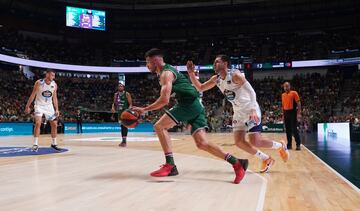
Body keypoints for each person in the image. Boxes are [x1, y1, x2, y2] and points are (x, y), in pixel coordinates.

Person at [132, 48, 247, 184]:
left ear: (155, 61)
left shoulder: (166, 74)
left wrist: (144, 109)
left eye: (147, 63)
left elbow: (164, 100)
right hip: (195, 105)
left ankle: (170, 165)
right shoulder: (164, 73)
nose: (147, 66)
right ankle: (237, 163)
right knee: (202, 143)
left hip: (188, 104)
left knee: (159, 126)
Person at [187, 55, 289, 173]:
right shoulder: (217, 79)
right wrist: (191, 74)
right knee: (239, 142)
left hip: (250, 109)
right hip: (238, 113)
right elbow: (200, 87)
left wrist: (252, 110)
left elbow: (252, 92)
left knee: (255, 141)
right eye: (214, 62)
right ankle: (266, 159)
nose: (214, 64)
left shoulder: (235, 75)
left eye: (217, 62)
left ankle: (280, 146)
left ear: (225, 64)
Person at [25, 69, 61, 152]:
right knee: (38, 123)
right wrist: (27, 106)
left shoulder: (54, 84)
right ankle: (35, 144)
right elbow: (33, 95)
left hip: (49, 106)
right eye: (52, 75)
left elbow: (54, 98)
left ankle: (54, 143)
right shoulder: (39, 83)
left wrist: (57, 109)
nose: (54, 77)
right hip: (39, 105)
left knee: (54, 124)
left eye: (54, 75)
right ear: (47, 74)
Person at [282, 82, 302, 150]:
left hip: (292, 112)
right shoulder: (283, 95)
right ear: (283, 87)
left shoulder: (294, 93)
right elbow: (283, 106)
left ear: (290, 86)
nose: (286, 88)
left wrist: (298, 113)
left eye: (287, 86)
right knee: (288, 130)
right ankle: (289, 145)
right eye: (285, 86)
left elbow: (299, 103)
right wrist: (283, 115)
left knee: (294, 129)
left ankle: (298, 144)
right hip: (285, 113)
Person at [111, 83, 133, 147]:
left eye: (121, 86)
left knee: (124, 126)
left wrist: (128, 111)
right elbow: (114, 103)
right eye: (119, 86)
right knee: (122, 126)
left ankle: (124, 141)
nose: (120, 87)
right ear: (118, 87)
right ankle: (123, 141)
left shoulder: (127, 94)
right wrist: (113, 107)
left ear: (123, 87)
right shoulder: (116, 94)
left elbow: (131, 104)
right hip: (119, 112)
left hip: (125, 112)